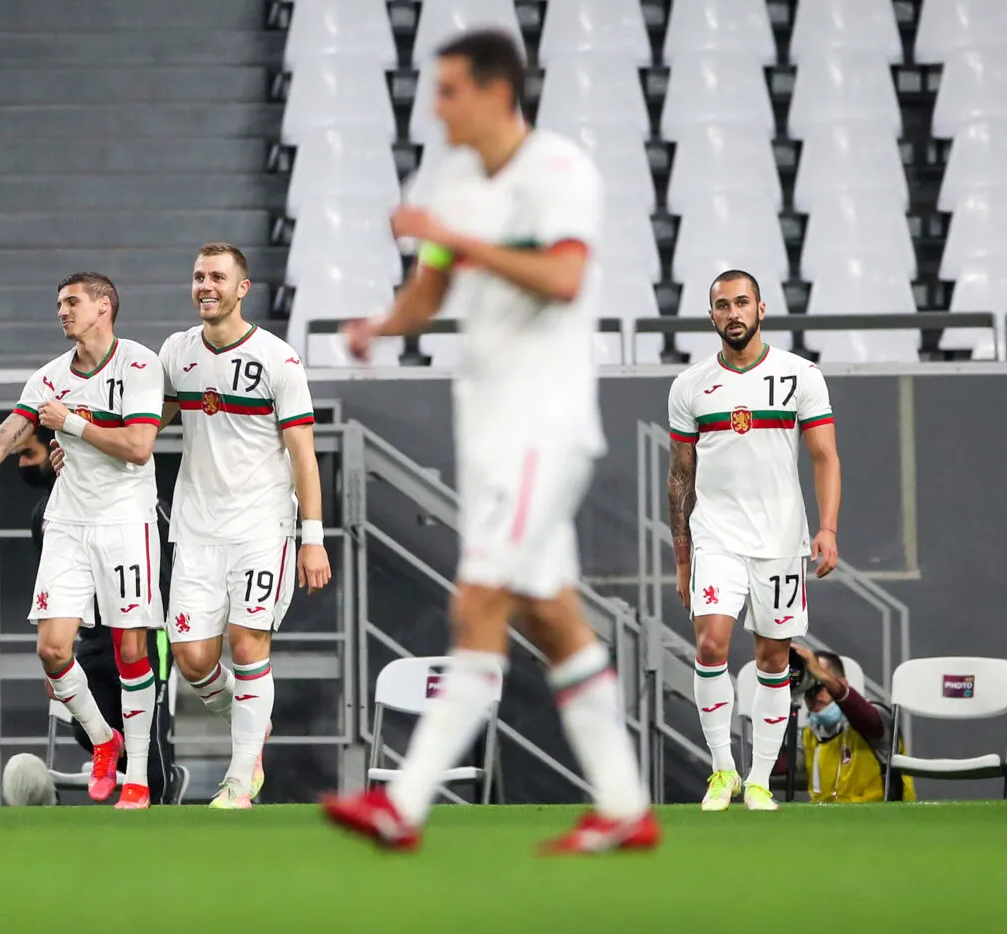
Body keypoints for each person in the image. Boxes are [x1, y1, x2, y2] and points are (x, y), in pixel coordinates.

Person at [322, 29, 657, 854]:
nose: (435, 107)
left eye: (449, 91)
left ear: (497, 91)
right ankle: (625, 807)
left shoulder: (560, 172)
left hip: (545, 425)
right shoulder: (453, 182)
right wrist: (380, 325)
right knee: (551, 615)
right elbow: (431, 288)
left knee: (476, 602)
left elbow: (564, 277)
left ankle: (403, 804)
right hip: (487, 429)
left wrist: (460, 239)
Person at [0, 272, 166, 809]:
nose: (62, 311)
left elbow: (139, 447)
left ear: (104, 306)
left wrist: (73, 424)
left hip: (125, 521)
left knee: (131, 650)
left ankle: (137, 774)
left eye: (72, 302)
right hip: (68, 521)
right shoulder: (47, 379)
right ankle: (104, 740)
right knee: (52, 649)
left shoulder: (139, 363)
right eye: (59, 303)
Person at [157, 241, 332, 808]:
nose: (205, 286)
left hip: (262, 526)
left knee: (247, 642)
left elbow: (303, 456)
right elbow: (147, 423)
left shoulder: (279, 359)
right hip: (196, 529)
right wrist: (85, 446)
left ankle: (238, 782)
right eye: (198, 276)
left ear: (242, 288)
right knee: (192, 658)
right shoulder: (176, 352)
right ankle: (252, 722)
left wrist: (312, 539)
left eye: (217, 277)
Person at [667, 269, 843, 813]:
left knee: (772, 657)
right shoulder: (690, 386)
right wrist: (682, 558)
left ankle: (760, 778)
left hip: (780, 540)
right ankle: (723, 769)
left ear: (761, 309)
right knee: (710, 646)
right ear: (712, 316)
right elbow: (680, 477)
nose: (733, 313)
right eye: (723, 305)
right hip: (715, 536)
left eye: (742, 303)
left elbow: (825, 456)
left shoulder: (800, 375)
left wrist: (828, 528)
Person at [15, 428, 184, 804]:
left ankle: (158, 799)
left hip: (144, 629)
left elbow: (174, 559)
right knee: (85, 726)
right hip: (93, 637)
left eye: (28, 454)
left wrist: (172, 621)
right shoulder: (45, 516)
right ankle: (125, 758)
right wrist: (56, 660)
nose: (23, 465)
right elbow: (53, 591)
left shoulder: (137, 501)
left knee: (148, 739)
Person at [794, 645, 914, 803]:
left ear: (840, 683)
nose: (813, 696)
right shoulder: (810, 734)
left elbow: (866, 717)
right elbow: (783, 767)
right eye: (808, 690)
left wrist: (826, 678)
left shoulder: (876, 716)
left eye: (820, 686)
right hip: (829, 816)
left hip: (880, 814)